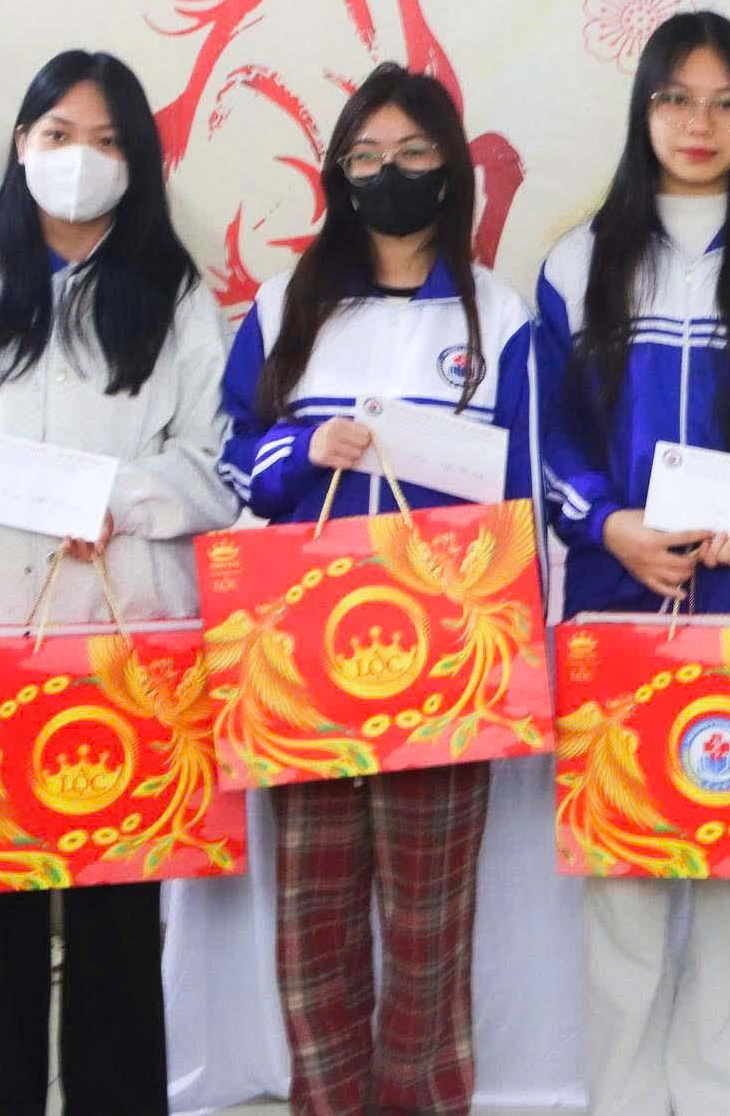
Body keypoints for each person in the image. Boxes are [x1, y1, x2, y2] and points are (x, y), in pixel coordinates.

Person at [0, 50, 236, 1116]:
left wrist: (123, 498)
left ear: (140, 162)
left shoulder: (175, 294)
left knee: (118, 910)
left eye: (107, 141)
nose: (80, 159)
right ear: (21, 145)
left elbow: (215, 465)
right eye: (59, 135)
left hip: (127, 634)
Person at [535, 10, 730, 1116]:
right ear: (644, 110)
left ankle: (718, 1097)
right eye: (676, 98)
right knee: (623, 882)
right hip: (618, 602)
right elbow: (550, 435)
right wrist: (609, 525)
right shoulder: (579, 260)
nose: (699, 123)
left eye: (724, 102)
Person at [218, 64, 537, 1114]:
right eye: (364, 156)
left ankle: (423, 1098)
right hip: (305, 652)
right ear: (337, 173)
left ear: (449, 167)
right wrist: (304, 448)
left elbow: (529, 483)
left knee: (428, 916)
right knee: (311, 911)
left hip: (446, 655)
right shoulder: (286, 304)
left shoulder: (499, 314)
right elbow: (228, 456)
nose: (387, 173)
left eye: (410, 154)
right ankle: (326, 1099)